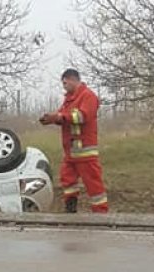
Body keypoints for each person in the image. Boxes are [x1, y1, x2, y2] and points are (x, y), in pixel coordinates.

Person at [40, 69, 109, 213]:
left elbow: (82, 116)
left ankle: (101, 214)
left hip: (85, 153)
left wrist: (59, 117)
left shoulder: (88, 96)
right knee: (67, 180)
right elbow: (63, 116)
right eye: (62, 83)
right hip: (70, 153)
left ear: (73, 79)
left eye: (65, 82)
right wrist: (51, 119)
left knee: (94, 185)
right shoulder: (69, 99)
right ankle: (70, 210)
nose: (64, 86)